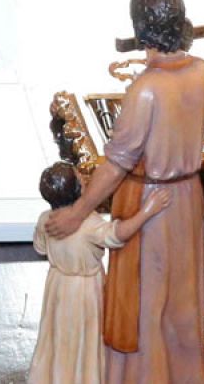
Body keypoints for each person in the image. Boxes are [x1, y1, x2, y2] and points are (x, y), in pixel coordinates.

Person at [45, 0, 204, 383]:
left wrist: (77, 212)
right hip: (189, 196)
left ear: (142, 30)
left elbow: (115, 164)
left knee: (146, 302)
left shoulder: (145, 89)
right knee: (184, 298)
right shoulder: (203, 70)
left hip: (148, 201)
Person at [29, 162, 169, 384]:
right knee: (84, 337)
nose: (86, 179)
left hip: (57, 285)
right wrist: (147, 211)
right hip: (85, 290)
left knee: (57, 336)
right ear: (78, 190)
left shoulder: (46, 219)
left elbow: (40, 247)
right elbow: (118, 234)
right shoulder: (88, 224)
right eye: (81, 179)